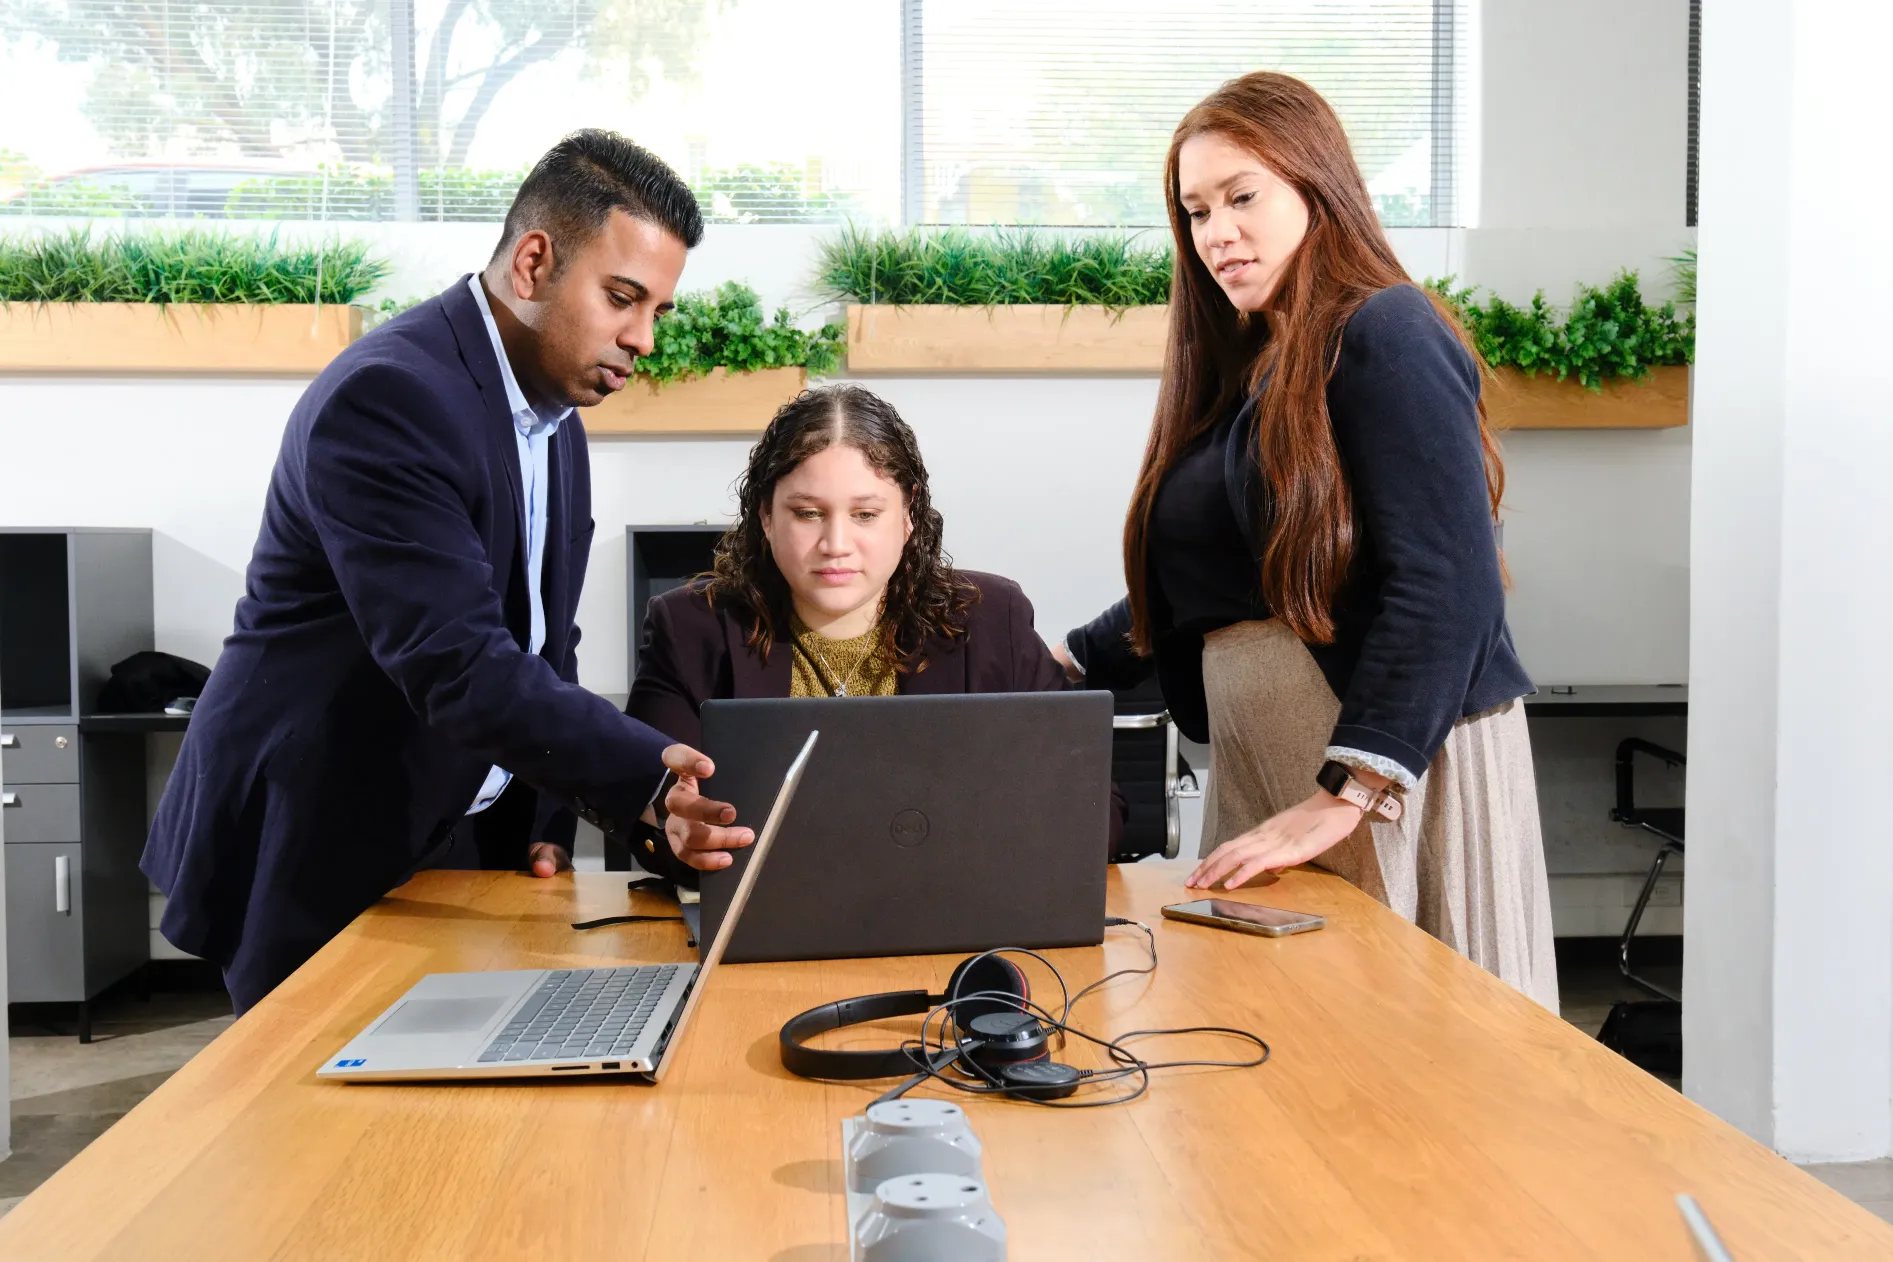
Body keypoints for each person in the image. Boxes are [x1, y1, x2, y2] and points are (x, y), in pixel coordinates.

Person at [143, 130, 748, 1012]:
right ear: (534, 262)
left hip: (452, 830)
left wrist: (547, 815)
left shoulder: (555, 421)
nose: (643, 338)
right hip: (319, 838)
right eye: (624, 299)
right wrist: (649, 776)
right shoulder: (390, 398)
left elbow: (543, 636)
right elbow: (457, 662)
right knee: (321, 1139)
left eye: (658, 310)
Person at [1057, 73, 1558, 1008]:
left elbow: (1447, 584)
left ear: (1317, 187)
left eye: (1242, 196)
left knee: (1414, 1080)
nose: (1216, 232)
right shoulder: (1253, 370)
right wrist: (1065, 660)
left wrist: (1345, 793)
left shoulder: (1386, 329)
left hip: (1375, 771)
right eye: (1195, 209)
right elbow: (1223, 574)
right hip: (1276, 767)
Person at [626, 383, 1123, 880]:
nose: (836, 544)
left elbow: (1100, 813)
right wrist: (677, 829)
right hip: (766, 931)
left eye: (865, 515)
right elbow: (653, 819)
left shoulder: (992, 619)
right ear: (765, 517)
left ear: (908, 518)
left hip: (954, 922)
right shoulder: (689, 626)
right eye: (807, 513)